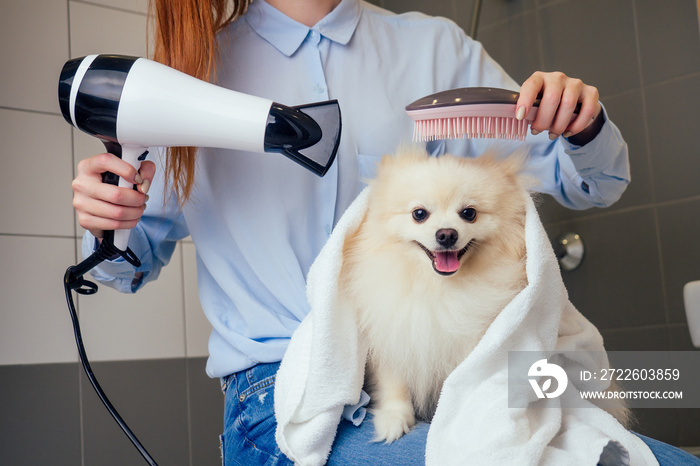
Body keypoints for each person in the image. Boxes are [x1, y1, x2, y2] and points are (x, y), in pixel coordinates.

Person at [71, 0, 700, 464]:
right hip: (285, 387)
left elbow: (588, 181)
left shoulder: (435, 49)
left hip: (464, 367)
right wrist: (107, 222)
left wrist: (578, 121)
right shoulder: (186, 80)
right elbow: (122, 268)